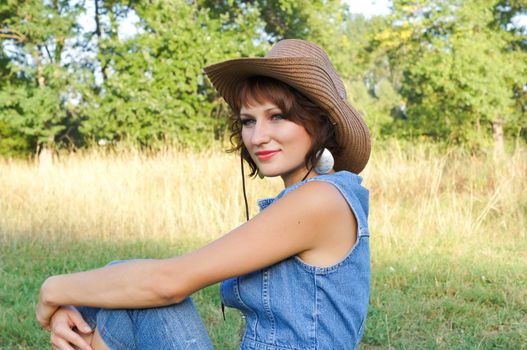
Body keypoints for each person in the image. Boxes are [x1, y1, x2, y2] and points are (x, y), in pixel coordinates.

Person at [36, 39, 371, 350]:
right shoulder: (317, 197)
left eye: (277, 116)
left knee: (141, 297)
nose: (258, 137)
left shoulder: (319, 201)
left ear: (320, 121)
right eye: (248, 121)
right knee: (125, 299)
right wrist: (79, 306)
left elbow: (168, 283)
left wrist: (55, 289)